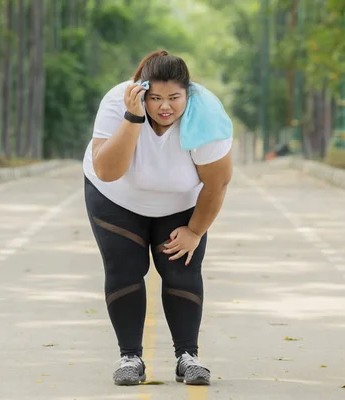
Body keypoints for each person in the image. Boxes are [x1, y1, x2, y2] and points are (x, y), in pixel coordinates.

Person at [82, 49, 233, 386]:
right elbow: (106, 171)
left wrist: (194, 231)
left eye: (175, 97)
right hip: (117, 197)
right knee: (125, 268)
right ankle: (130, 358)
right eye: (156, 98)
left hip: (179, 203)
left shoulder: (206, 115)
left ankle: (187, 357)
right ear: (142, 93)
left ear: (188, 94)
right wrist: (133, 117)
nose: (166, 106)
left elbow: (218, 182)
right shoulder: (117, 103)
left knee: (181, 270)